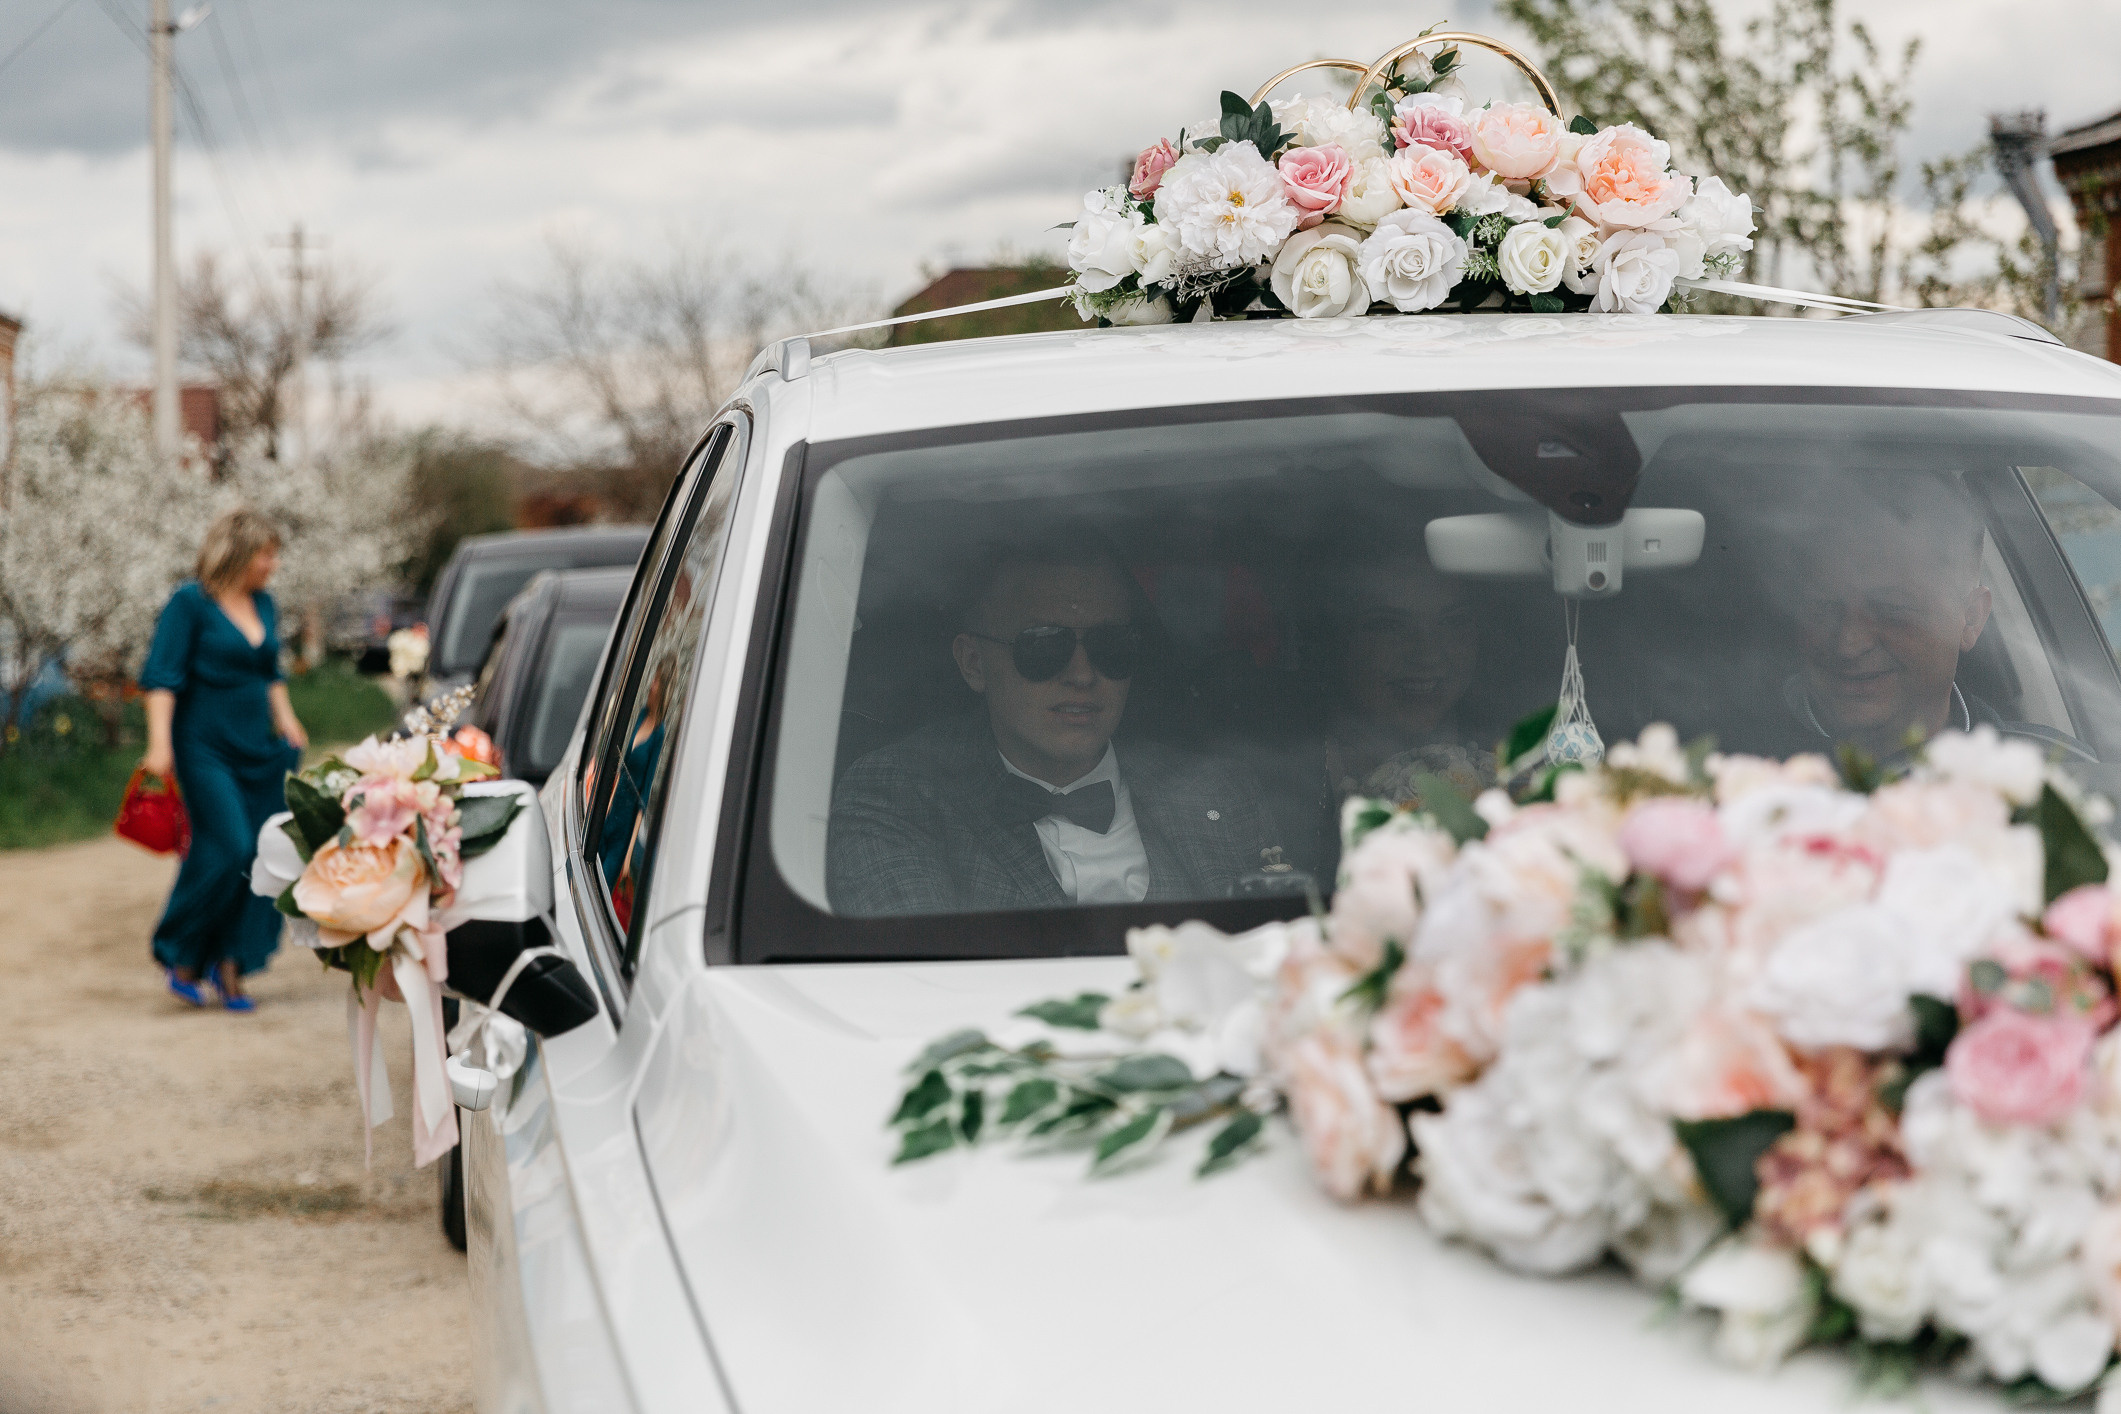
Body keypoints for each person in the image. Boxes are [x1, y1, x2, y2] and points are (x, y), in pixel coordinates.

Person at [827, 536, 1279, 915]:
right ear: (973, 663)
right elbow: (920, 977)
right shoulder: (898, 796)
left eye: (1110, 646)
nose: (1082, 675)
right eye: (1043, 647)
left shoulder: (1217, 793)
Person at [140, 508, 308, 1011]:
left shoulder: (265, 603)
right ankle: (183, 950)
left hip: (261, 748)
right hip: (204, 747)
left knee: (265, 853)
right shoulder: (189, 604)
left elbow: (269, 671)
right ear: (238, 554)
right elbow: (161, 677)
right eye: (266, 554)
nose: (274, 564)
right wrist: (159, 744)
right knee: (231, 845)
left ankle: (232, 963)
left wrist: (288, 720)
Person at [1275, 547, 1493, 874]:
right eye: (1389, 626)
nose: (1428, 654)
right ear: (1333, 638)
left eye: (1453, 622)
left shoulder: (1524, 768)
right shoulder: (1265, 791)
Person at [1781, 471, 1993, 760]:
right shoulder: (1729, 766)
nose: (1848, 645)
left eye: (1891, 610)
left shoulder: (2037, 774)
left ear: (1970, 619)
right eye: (1823, 607)